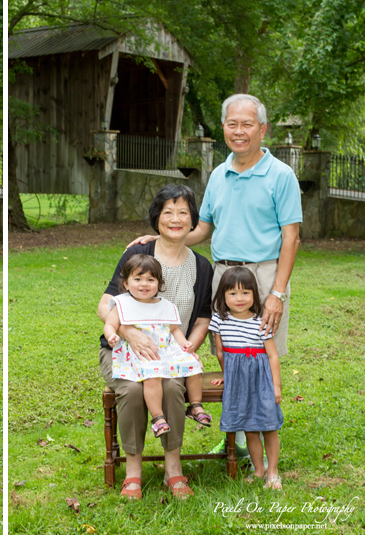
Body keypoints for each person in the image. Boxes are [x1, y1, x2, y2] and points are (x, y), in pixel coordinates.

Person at [127, 94, 301, 457]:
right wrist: (160, 237)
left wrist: (277, 293)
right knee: (229, 353)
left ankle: (265, 432)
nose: (239, 132)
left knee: (260, 354)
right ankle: (236, 434)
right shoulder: (219, 175)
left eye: (247, 124)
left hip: (264, 275)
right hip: (223, 274)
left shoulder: (281, 175)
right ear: (223, 128)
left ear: (262, 129)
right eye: (232, 124)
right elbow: (202, 228)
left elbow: (292, 237)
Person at [97, 184, 213, 500]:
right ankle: (133, 470)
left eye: (183, 213)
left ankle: (172, 468)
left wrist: (186, 348)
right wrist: (129, 332)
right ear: (156, 218)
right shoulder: (138, 255)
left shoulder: (202, 267)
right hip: (124, 351)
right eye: (168, 212)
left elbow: (203, 319)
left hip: (170, 353)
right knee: (134, 389)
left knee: (173, 387)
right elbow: (105, 304)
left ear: (193, 221)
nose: (175, 219)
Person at [104, 255, 211, 443]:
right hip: (139, 354)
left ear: (159, 284)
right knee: (152, 375)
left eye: (150, 280)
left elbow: (174, 329)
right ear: (126, 284)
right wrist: (111, 335)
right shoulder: (122, 304)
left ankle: (195, 405)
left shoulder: (165, 305)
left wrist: (184, 343)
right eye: (137, 279)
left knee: (193, 364)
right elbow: (110, 324)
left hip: (164, 351)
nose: (144, 284)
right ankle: (158, 417)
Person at [209, 267, 282, 489]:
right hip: (238, 381)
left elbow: (272, 355)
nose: (239, 298)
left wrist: (276, 386)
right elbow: (221, 352)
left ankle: (273, 472)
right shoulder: (219, 321)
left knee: (268, 426)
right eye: (232, 293)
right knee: (249, 427)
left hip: (261, 379)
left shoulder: (261, 321)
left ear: (254, 295)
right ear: (222, 295)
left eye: (245, 293)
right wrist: (226, 374)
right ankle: (258, 469)